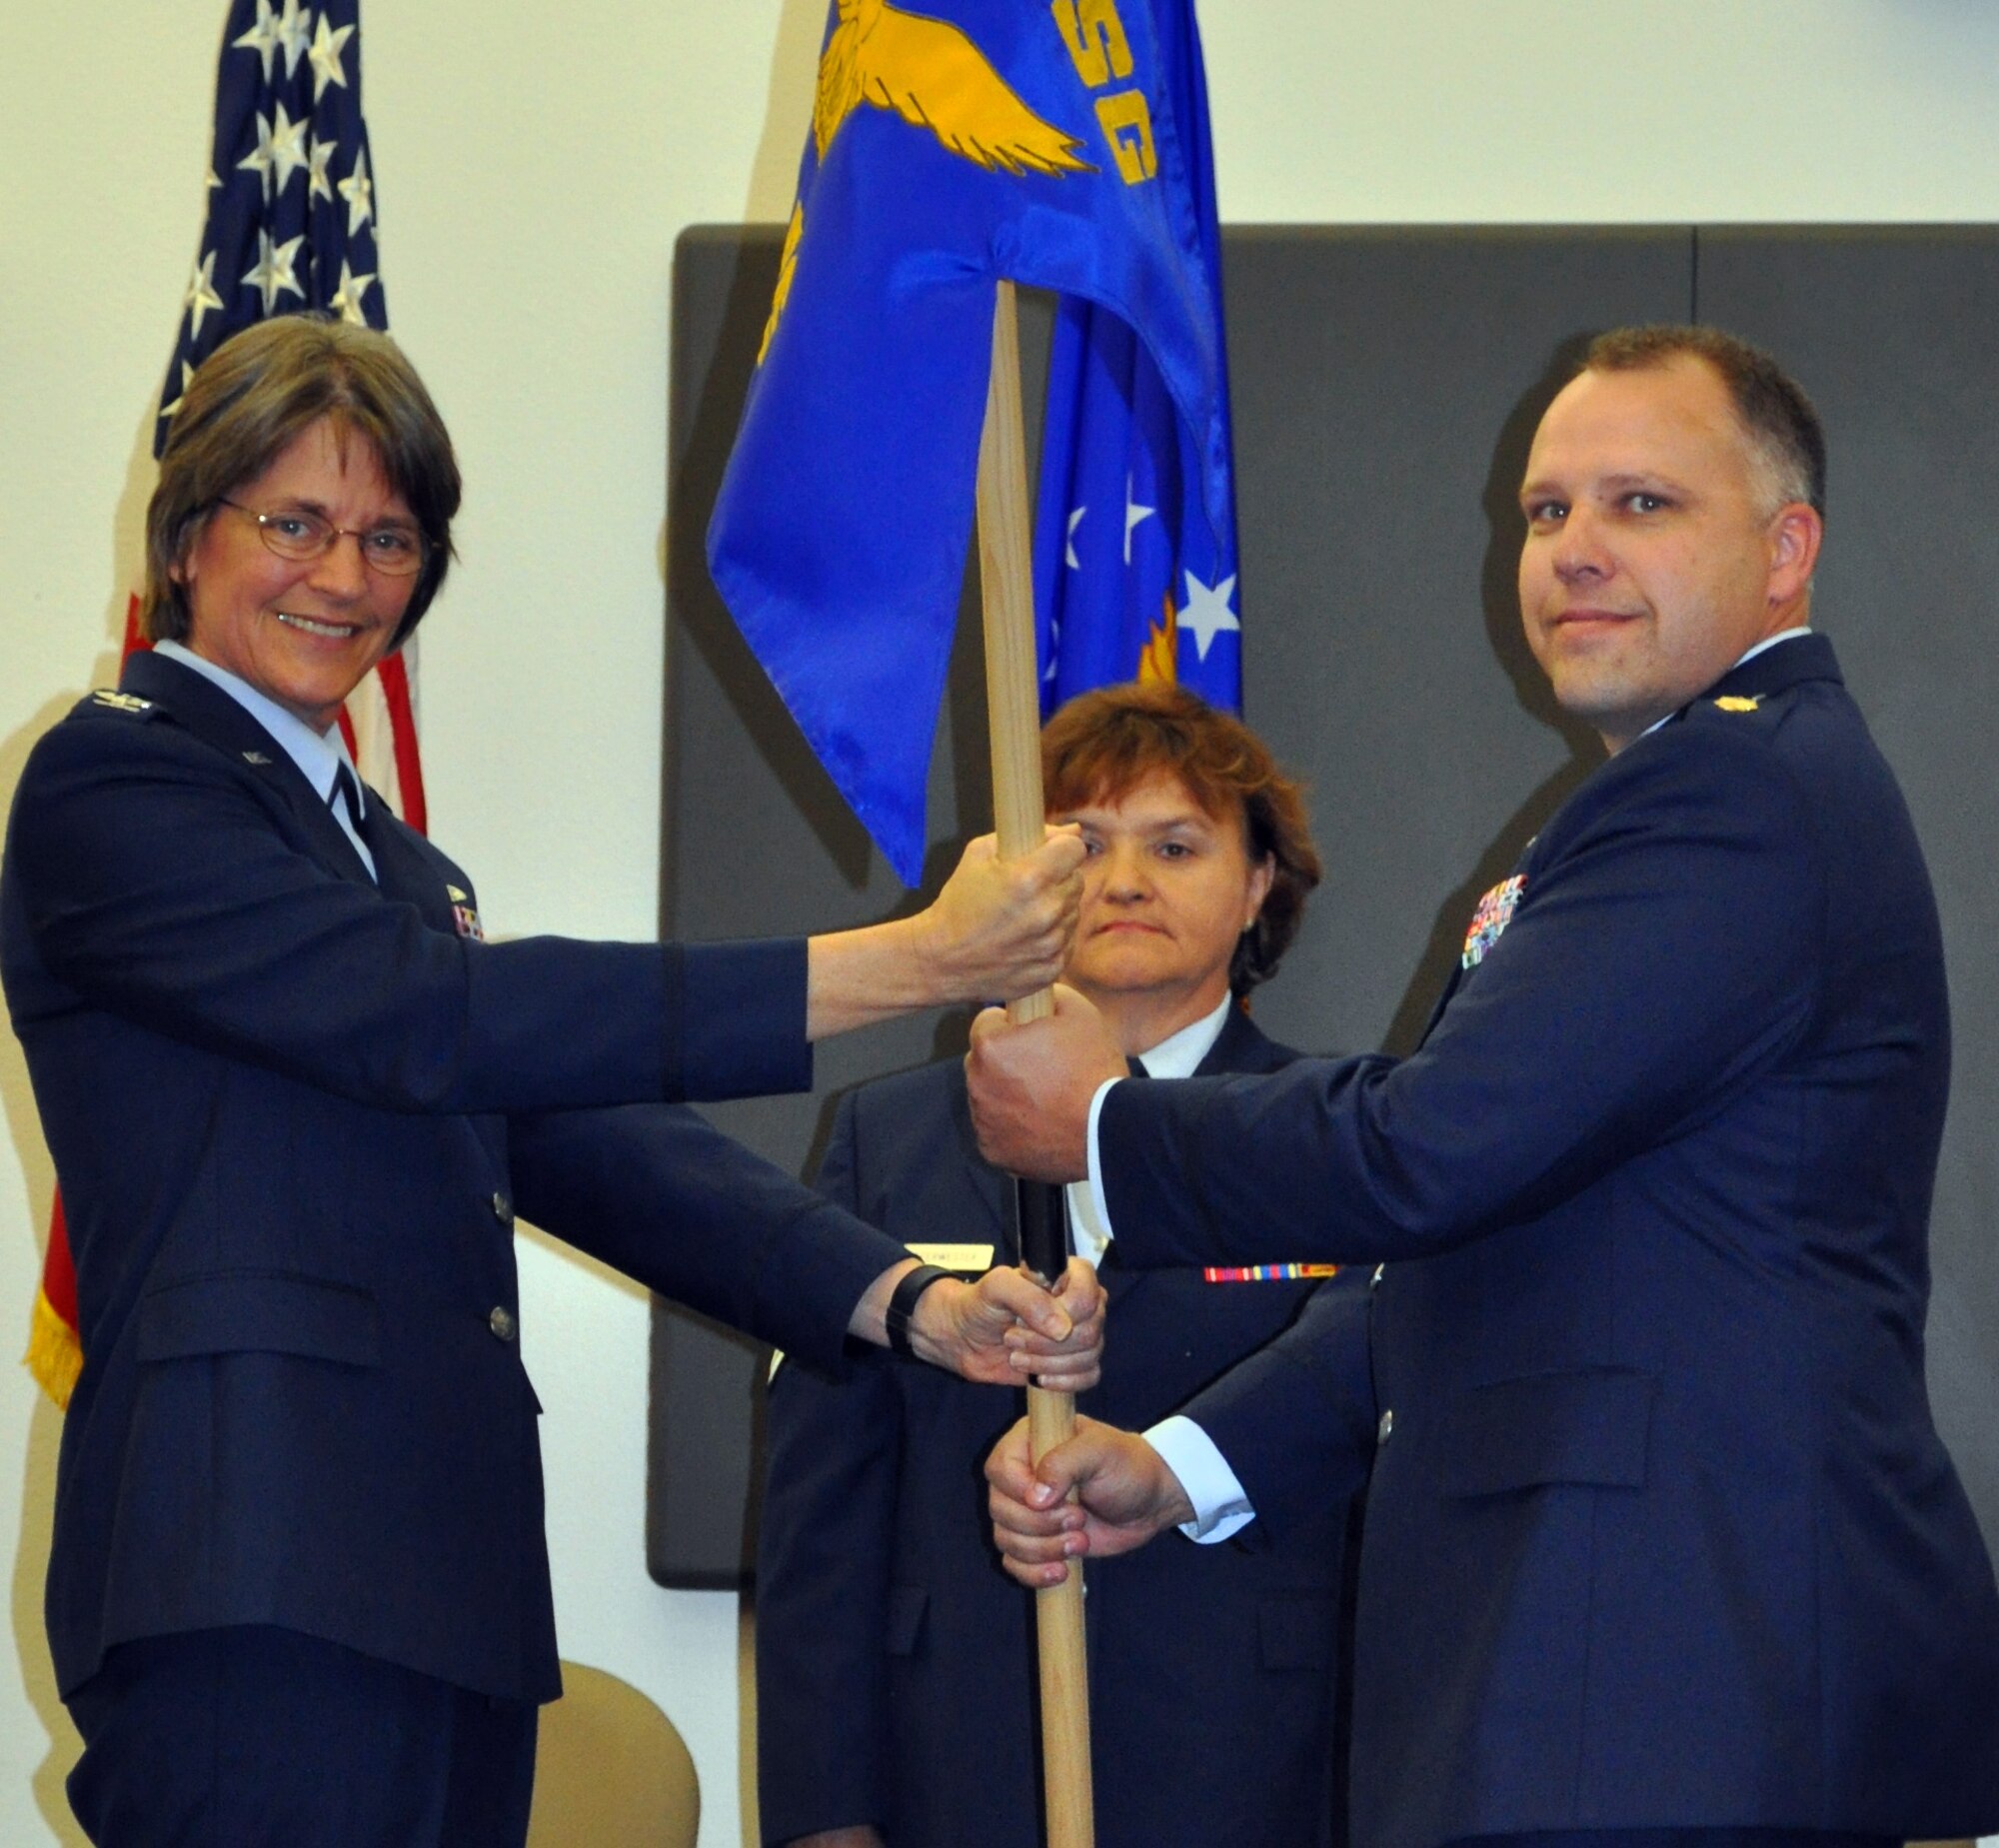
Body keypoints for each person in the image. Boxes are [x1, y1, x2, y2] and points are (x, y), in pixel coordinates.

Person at [0, 313, 1103, 1848]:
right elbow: (426, 1019)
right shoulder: (114, 778)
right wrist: (913, 963)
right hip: (246, 1574)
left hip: (447, 1591)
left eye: (390, 537)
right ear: (189, 537)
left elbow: (573, 1137)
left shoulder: (392, 860)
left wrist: (904, 1299)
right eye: (295, 522)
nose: (342, 576)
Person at [972, 326, 1999, 1848]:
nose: (1574, 551)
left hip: (1671, 1681)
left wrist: (1111, 1122)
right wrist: (1182, 1464)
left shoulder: (1731, 793)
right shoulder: (1685, 794)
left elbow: (1425, 1155)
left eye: (1641, 504)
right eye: (1545, 512)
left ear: (1788, 550)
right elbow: (1477, 1259)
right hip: (1636, 1684)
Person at [755, 683, 1373, 1848]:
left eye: (1176, 845)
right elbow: (819, 1515)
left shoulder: (1337, 1136)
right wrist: (821, 1815)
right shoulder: (884, 1141)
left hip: (1259, 1766)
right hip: (956, 1763)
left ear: (1256, 889)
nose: (1125, 879)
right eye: (1083, 845)